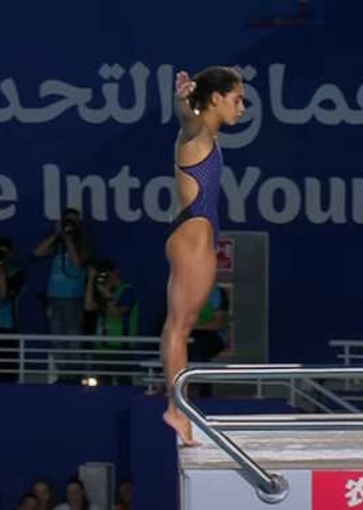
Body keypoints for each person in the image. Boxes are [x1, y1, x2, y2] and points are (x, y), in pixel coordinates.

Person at [160, 67, 245, 446]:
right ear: (215, 98)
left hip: (195, 232)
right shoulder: (195, 130)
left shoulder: (208, 134)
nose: (241, 107)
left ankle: (179, 408)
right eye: (237, 99)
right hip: (193, 232)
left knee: (184, 325)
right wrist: (181, 101)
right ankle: (176, 410)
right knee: (179, 327)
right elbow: (185, 120)